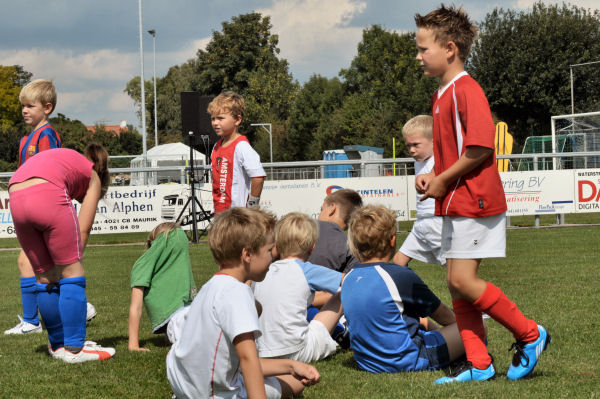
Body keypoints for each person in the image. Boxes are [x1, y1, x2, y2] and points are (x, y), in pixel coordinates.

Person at [414, 5, 550, 383]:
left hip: (475, 199)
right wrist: (433, 177)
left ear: (450, 48)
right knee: (456, 284)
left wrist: (444, 180)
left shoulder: (467, 90)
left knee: (463, 281)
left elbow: (481, 149)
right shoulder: (441, 94)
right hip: (454, 200)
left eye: (424, 49)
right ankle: (479, 364)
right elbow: (452, 154)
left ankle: (530, 333)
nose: (419, 56)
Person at [166, 208, 320, 399]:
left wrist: (291, 365)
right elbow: (248, 360)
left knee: (288, 375)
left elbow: (238, 360)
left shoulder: (210, 287)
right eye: (269, 250)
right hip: (214, 394)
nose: (273, 256)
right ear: (247, 254)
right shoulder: (237, 292)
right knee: (295, 384)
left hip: (188, 389)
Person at [5, 79, 96, 336]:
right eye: (22, 106)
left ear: (47, 108)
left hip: (49, 209)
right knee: (27, 264)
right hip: (30, 206)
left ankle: (38, 320)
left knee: (34, 264)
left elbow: (54, 169)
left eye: (30, 106)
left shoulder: (47, 135)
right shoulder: (25, 140)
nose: (24, 111)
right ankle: (37, 319)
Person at [8, 144, 115, 363]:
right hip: (47, 192)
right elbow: (82, 230)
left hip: (16, 193)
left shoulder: (67, 159)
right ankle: (75, 349)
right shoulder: (93, 176)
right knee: (72, 273)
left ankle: (57, 345)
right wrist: (69, 264)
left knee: (44, 277)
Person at [341, 205, 465, 373]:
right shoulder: (399, 275)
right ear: (392, 240)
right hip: (407, 359)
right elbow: (443, 315)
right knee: (475, 327)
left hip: (367, 362)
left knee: (424, 322)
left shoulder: (348, 278)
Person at [253, 212, 344, 363]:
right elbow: (349, 281)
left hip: (262, 351)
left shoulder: (263, 272)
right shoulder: (307, 270)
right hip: (295, 351)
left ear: (276, 245)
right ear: (313, 247)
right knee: (344, 292)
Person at [128, 222, 197, 351]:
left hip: (188, 312)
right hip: (178, 318)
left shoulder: (178, 257)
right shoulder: (143, 265)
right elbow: (135, 308)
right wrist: (133, 345)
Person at [392, 115, 446, 267]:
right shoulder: (419, 162)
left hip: (437, 223)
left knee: (455, 274)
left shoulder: (440, 160)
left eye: (416, 144)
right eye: (408, 145)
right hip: (421, 223)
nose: (411, 150)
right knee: (398, 262)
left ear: (434, 142)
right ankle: (415, 292)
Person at [209, 91, 266, 214]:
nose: (215, 123)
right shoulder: (216, 147)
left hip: (238, 217)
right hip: (220, 214)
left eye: (220, 118)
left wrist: (251, 208)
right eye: (213, 118)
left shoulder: (242, 146)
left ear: (237, 120)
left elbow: (258, 177)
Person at [308, 188, 362, 309]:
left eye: (321, 209)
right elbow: (350, 286)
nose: (319, 214)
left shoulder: (298, 229)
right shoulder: (352, 246)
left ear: (332, 208)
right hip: (323, 314)